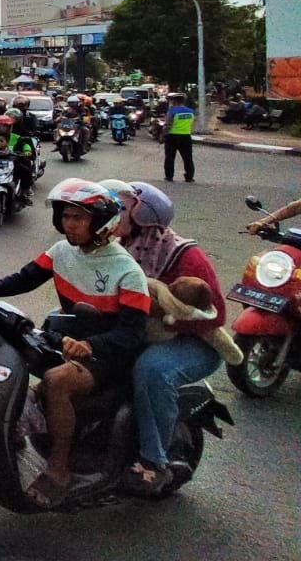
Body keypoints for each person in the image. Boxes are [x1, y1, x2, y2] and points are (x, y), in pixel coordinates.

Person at [0, 178, 149, 507]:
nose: (70, 224)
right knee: (15, 358)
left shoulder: (127, 271)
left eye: (78, 218)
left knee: (55, 381)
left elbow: (132, 334)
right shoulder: (62, 251)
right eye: (65, 217)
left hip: (110, 356)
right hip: (69, 339)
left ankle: (59, 466)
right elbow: (27, 277)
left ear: (101, 222)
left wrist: (92, 346)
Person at [96, 180, 230, 495]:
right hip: (138, 331)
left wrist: (164, 316)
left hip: (194, 341)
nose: (108, 217)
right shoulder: (110, 248)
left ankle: (154, 461)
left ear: (143, 218)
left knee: (152, 369)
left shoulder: (183, 255)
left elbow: (218, 316)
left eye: (118, 210)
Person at [162, 92, 195, 183]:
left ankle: (169, 176)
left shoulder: (172, 111)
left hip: (172, 136)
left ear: (175, 101)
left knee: (170, 157)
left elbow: (167, 125)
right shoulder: (191, 111)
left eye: (172, 100)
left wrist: (163, 135)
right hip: (186, 136)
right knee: (188, 158)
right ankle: (189, 177)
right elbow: (192, 123)